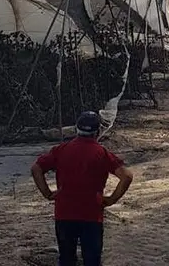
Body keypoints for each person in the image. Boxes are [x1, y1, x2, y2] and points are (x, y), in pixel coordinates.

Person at [31, 111, 133, 266]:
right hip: (91, 214)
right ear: (97, 131)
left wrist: (47, 193)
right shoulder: (102, 153)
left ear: (76, 129)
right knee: (92, 260)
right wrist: (111, 200)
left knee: (66, 259)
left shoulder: (62, 149)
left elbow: (36, 168)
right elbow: (127, 176)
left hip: (64, 213)